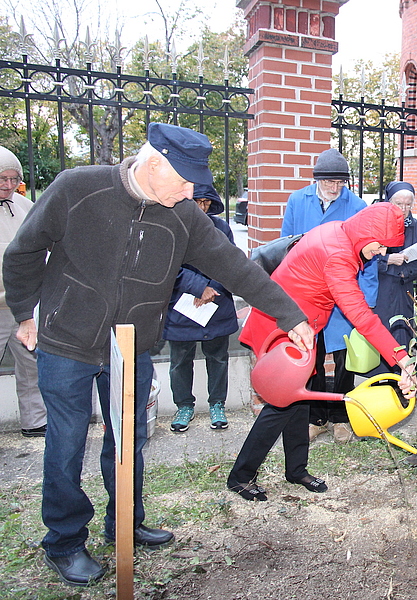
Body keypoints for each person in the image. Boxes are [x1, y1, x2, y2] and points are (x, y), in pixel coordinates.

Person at [2, 122, 315, 587]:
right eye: (184, 180)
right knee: (66, 443)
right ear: (153, 165)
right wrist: (25, 312)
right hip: (65, 341)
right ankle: (65, 542)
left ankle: (124, 523)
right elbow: (24, 251)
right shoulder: (78, 187)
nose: (192, 191)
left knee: (128, 440)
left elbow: (234, 267)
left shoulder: (184, 215)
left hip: (130, 346)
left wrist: (290, 316)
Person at [227, 202, 417, 501]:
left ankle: (296, 469)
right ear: (367, 233)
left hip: (300, 329)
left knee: (299, 398)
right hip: (281, 331)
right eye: (381, 246)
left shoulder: (340, 232)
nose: (382, 253)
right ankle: (241, 476)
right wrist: (401, 358)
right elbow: (361, 317)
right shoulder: (339, 257)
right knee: (279, 405)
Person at [281, 148, 374, 443]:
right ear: (317, 179)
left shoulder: (357, 205)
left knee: (345, 358)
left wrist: (367, 299)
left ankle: (340, 416)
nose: (335, 188)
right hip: (308, 294)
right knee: (313, 357)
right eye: (329, 182)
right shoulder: (298, 201)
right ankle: (316, 416)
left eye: (340, 182)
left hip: (344, 293)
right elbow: (285, 246)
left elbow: (370, 255)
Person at [163, 183, 238, 432]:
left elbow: (231, 261)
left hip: (216, 304)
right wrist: (197, 287)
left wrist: (211, 289)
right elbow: (167, 266)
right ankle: (184, 405)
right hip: (181, 305)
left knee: (218, 357)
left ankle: (218, 404)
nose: (202, 207)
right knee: (180, 360)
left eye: (206, 202)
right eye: (197, 202)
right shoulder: (170, 227)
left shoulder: (221, 228)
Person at [0, 145, 45, 438]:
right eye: (1, 179)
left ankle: (35, 420)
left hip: (20, 305)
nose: (7, 186)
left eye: (13, 179)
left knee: (30, 363)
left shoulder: (26, 206)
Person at [367, 181, 417, 375]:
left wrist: (405, 271)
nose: (405, 209)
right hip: (382, 289)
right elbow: (367, 256)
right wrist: (388, 259)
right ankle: (379, 380)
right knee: (382, 333)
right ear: (390, 203)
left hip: (405, 290)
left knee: (402, 334)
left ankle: (401, 381)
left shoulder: (416, 227)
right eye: (400, 204)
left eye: (409, 204)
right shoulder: (378, 223)